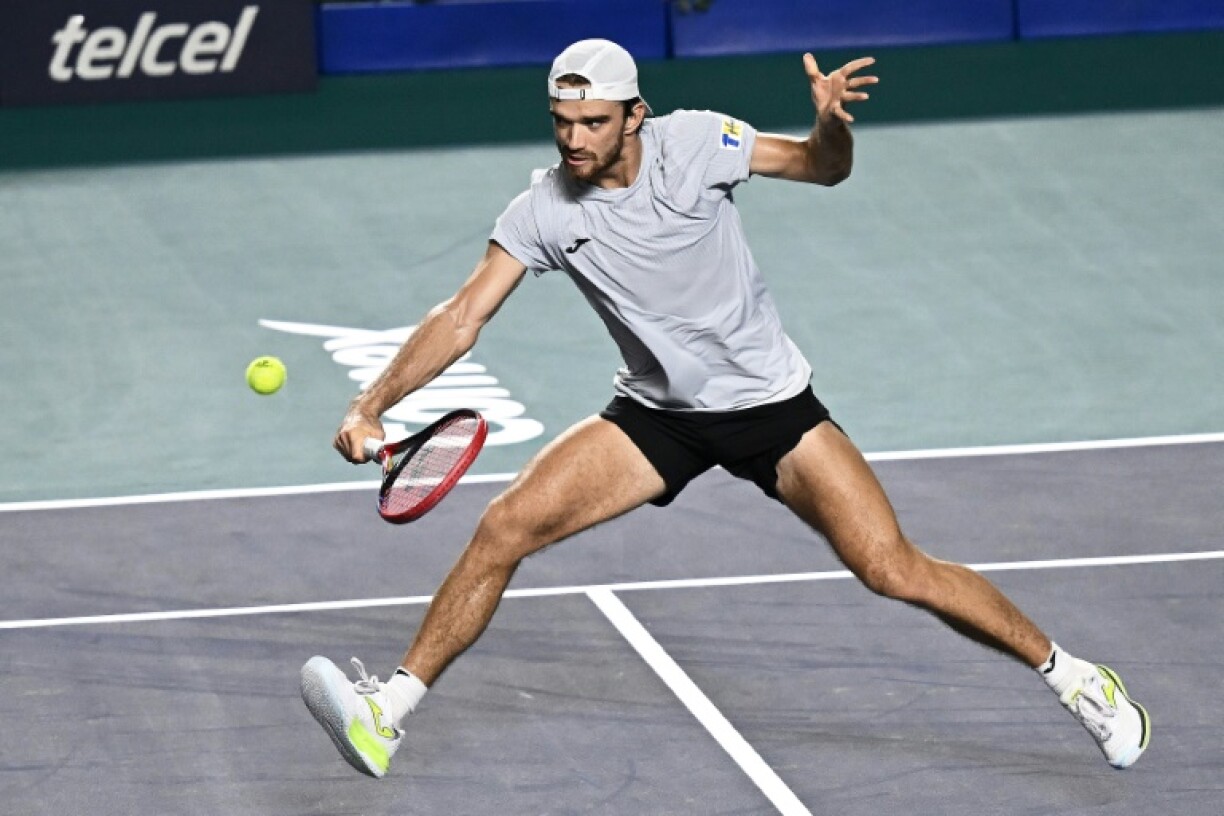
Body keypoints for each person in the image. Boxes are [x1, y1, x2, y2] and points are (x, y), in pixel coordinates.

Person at [300, 38, 1149, 779]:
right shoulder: (543, 211)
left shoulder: (701, 142)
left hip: (773, 410)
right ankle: (389, 714)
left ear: (637, 116)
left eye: (593, 122)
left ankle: (1077, 679)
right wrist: (372, 400)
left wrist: (831, 125)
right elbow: (461, 315)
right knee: (505, 526)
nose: (574, 139)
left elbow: (822, 168)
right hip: (655, 417)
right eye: (563, 123)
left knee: (891, 567)